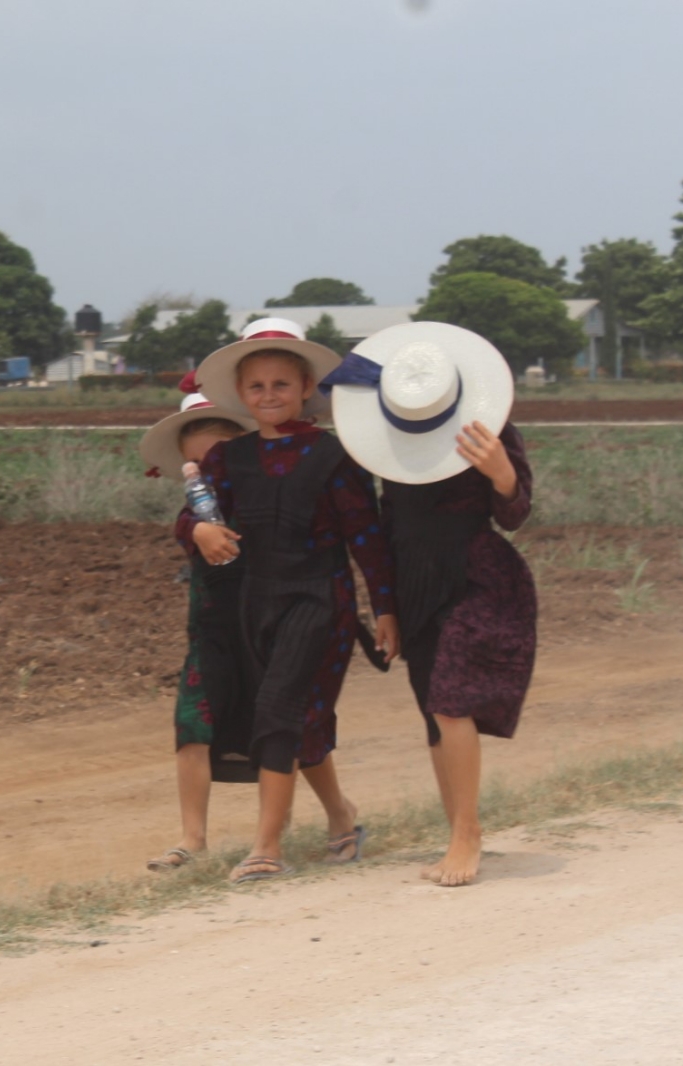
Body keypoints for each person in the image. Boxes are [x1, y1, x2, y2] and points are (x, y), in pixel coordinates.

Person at [321, 321, 536, 887]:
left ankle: (468, 835)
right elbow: (385, 529)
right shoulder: (383, 443)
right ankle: (456, 830)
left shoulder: (489, 427)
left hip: (477, 575)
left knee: (450, 699)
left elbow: (514, 514)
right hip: (414, 582)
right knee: (433, 712)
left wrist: (503, 475)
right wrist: (386, 608)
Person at [190, 318, 400, 884]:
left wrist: (385, 608)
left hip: (319, 602)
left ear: (307, 387)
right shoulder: (227, 460)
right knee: (298, 721)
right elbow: (194, 514)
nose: (268, 396)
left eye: (281, 384)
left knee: (277, 712)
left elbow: (367, 537)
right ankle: (341, 816)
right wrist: (200, 532)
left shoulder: (333, 456)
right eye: (256, 387)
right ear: (240, 393)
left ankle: (266, 847)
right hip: (254, 605)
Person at [137, 391, 257, 871]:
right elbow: (187, 522)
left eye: (215, 459)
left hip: (266, 630)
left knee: (287, 735)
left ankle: (313, 820)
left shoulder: (264, 499)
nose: (203, 472)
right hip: (209, 636)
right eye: (194, 464)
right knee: (192, 728)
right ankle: (193, 839)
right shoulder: (193, 519)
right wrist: (197, 528)